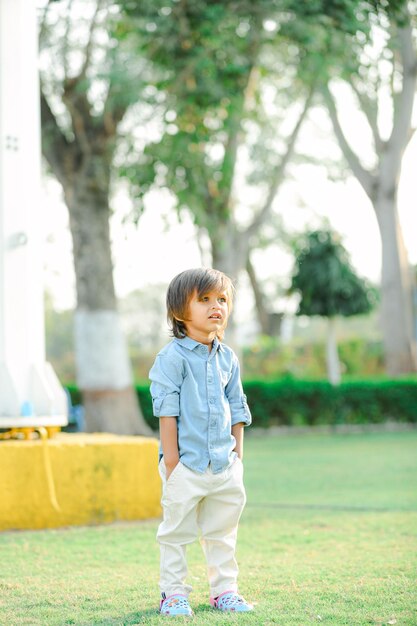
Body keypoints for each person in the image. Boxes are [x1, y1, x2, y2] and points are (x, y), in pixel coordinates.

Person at [149, 268, 253, 617]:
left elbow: (237, 406)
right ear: (181, 310)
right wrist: (173, 464)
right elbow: (167, 411)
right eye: (205, 299)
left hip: (224, 465)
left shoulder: (228, 358)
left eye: (222, 299)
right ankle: (173, 595)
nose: (216, 306)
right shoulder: (171, 359)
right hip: (185, 466)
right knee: (176, 533)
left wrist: (237, 453)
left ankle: (225, 591)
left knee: (222, 532)